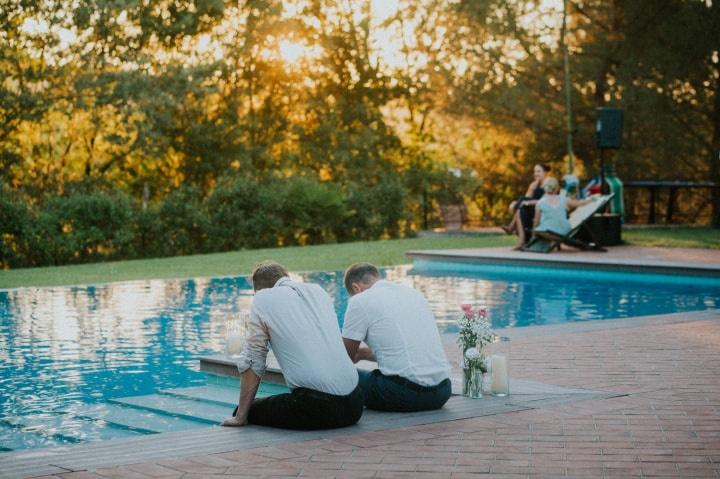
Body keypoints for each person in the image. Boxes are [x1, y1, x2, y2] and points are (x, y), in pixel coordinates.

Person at [221, 261, 363, 430]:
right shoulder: (318, 291)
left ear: (258, 290)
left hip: (319, 409)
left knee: (246, 409)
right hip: (355, 404)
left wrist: (241, 416)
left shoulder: (263, 297)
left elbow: (253, 359)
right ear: (285, 277)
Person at [341, 263, 452, 412]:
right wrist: (362, 354)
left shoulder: (359, 300)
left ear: (355, 288)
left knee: (343, 378)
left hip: (402, 395)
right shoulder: (414, 294)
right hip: (442, 393)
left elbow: (343, 359)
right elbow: (408, 348)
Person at [501, 164, 552, 248]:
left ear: (545, 172)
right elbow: (526, 198)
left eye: (538, 171)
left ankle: (511, 227)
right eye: (535, 171)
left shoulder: (549, 183)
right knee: (520, 209)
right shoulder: (535, 184)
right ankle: (521, 240)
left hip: (543, 211)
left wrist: (525, 202)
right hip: (533, 210)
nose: (536, 174)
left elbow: (544, 201)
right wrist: (531, 189)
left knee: (520, 202)